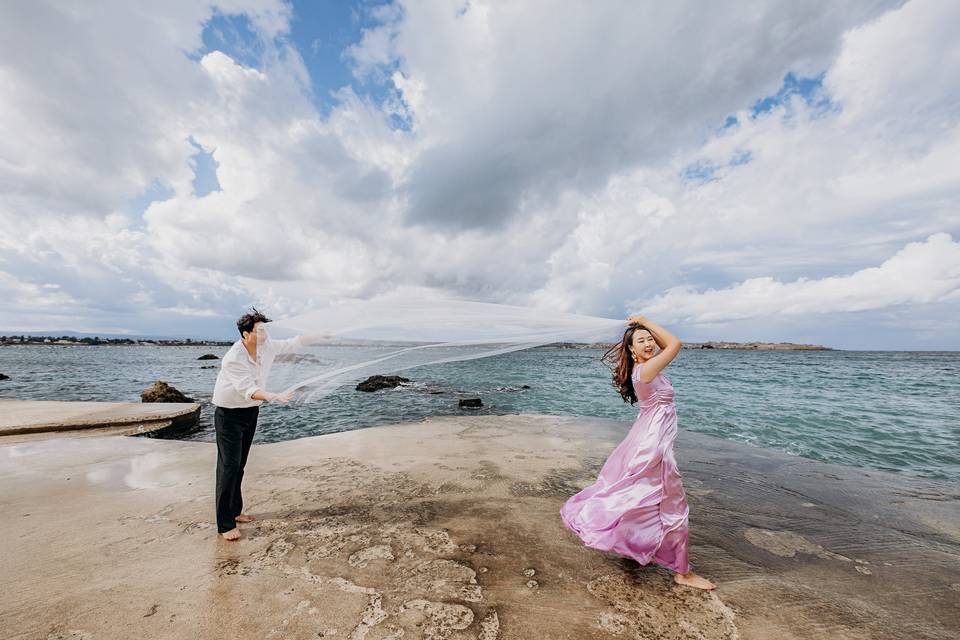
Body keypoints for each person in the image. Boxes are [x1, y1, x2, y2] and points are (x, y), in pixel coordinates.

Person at [560, 314, 715, 590]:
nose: (648, 343)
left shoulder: (647, 369)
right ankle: (683, 572)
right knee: (673, 504)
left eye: (649, 339)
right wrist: (645, 321)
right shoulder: (645, 370)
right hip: (654, 444)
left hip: (650, 440)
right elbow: (675, 343)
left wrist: (645, 329)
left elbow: (667, 346)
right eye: (641, 340)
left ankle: (637, 545)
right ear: (632, 350)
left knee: (648, 499)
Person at [211, 308, 316, 541]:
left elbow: (291, 344)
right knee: (228, 467)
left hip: (250, 413)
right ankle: (224, 524)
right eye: (260, 331)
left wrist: (317, 335)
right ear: (246, 334)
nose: (265, 335)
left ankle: (235, 511)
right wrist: (274, 396)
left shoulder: (266, 346)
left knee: (239, 465)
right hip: (228, 415)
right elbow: (247, 390)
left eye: (266, 330)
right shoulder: (233, 359)